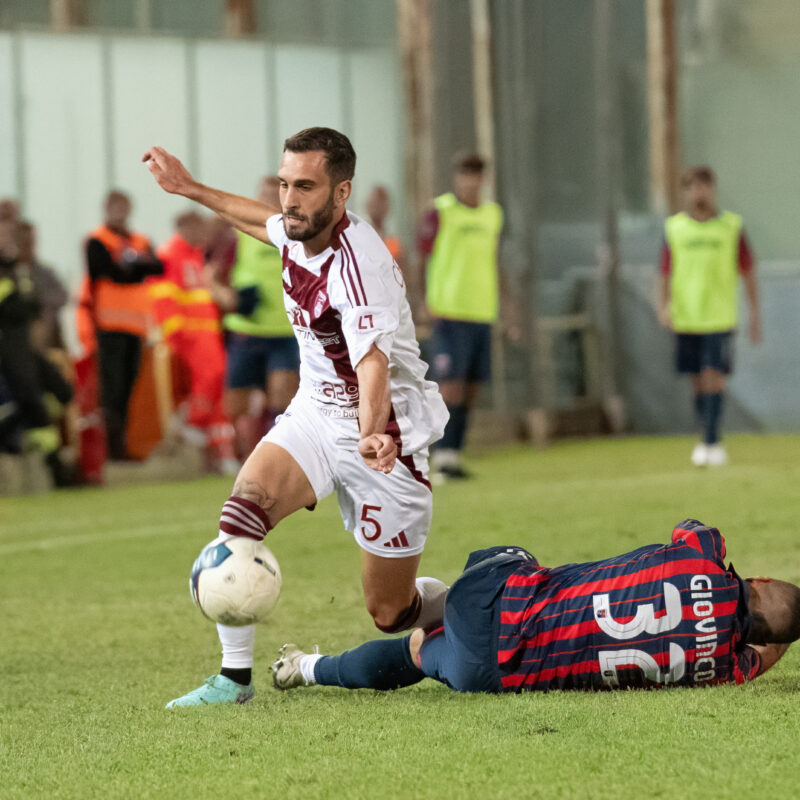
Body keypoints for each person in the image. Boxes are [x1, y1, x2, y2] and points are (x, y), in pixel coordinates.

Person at [143, 126, 449, 707]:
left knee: (391, 612)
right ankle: (234, 680)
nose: (290, 199)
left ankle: (467, 606)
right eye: (285, 184)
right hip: (314, 413)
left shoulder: (359, 265)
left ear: (342, 194)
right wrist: (187, 187)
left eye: (305, 187)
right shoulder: (299, 228)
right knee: (240, 515)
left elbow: (374, 363)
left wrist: (368, 436)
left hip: (386, 436)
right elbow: (263, 223)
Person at [272, 518, 800, 694]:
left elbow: (694, 527)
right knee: (416, 654)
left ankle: (416, 605)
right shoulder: (726, 667)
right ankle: (306, 669)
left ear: (762, 579)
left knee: (512, 557)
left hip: (498, 596)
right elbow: (761, 655)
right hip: (492, 673)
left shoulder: (703, 554)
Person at [658, 166, 760, 468]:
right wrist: (663, 305)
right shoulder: (675, 229)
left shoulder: (731, 227)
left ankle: (713, 440)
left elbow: (748, 270)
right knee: (697, 381)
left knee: (714, 375)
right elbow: (665, 271)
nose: (699, 192)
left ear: (713, 189)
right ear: (685, 192)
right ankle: (705, 435)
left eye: (705, 186)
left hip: (719, 316)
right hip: (688, 316)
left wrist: (754, 314)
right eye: (693, 187)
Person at [417, 154, 505, 482]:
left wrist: (505, 306)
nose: (471, 181)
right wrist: (423, 298)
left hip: (481, 311)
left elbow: (494, 261)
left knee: (471, 388)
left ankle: (453, 456)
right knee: (449, 387)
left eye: (477, 175)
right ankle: (434, 456)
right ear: (457, 178)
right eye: (466, 174)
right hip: (449, 310)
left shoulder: (492, 215)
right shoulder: (441, 212)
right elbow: (423, 255)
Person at [207, 176, 300, 460]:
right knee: (237, 405)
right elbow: (210, 276)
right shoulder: (237, 235)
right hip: (247, 330)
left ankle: (276, 456)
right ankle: (239, 455)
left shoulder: (301, 234)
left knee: (282, 398)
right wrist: (225, 296)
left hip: (284, 331)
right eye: (266, 197)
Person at [77, 191, 163, 460]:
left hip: (136, 328)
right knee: (112, 389)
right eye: (114, 207)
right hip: (109, 326)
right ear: (106, 209)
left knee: (128, 389)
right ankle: (111, 449)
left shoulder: (139, 239)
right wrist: (135, 266)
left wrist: (130, 266)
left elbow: (158, 267)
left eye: (123, 207)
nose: (119, 212)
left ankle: (122, 446)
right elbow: (105, 270)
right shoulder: (97, 240)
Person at [153, 211, 237, 473]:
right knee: (214, 375)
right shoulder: (169, 254)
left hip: (208, 331)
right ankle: (191, 419)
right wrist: (176, 331)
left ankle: (221, 449)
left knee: (220, 387)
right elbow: (163, 295)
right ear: (185, 227)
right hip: (190, 333)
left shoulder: (199, 254)